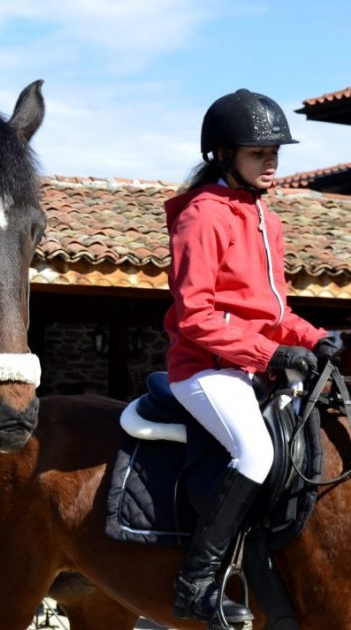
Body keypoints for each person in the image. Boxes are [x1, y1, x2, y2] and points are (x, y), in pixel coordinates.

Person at [163, 88, 339, 625]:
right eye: (259, 153)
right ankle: (197, 584)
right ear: (223, 155)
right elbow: (195, 315)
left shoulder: (265, 218)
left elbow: (273, 309)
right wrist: (271, 352)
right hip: (203, 370)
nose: (272, 162)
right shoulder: (201, 215)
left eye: (275, 153)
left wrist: (314, 338)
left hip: (251, 366)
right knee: (256, 455)